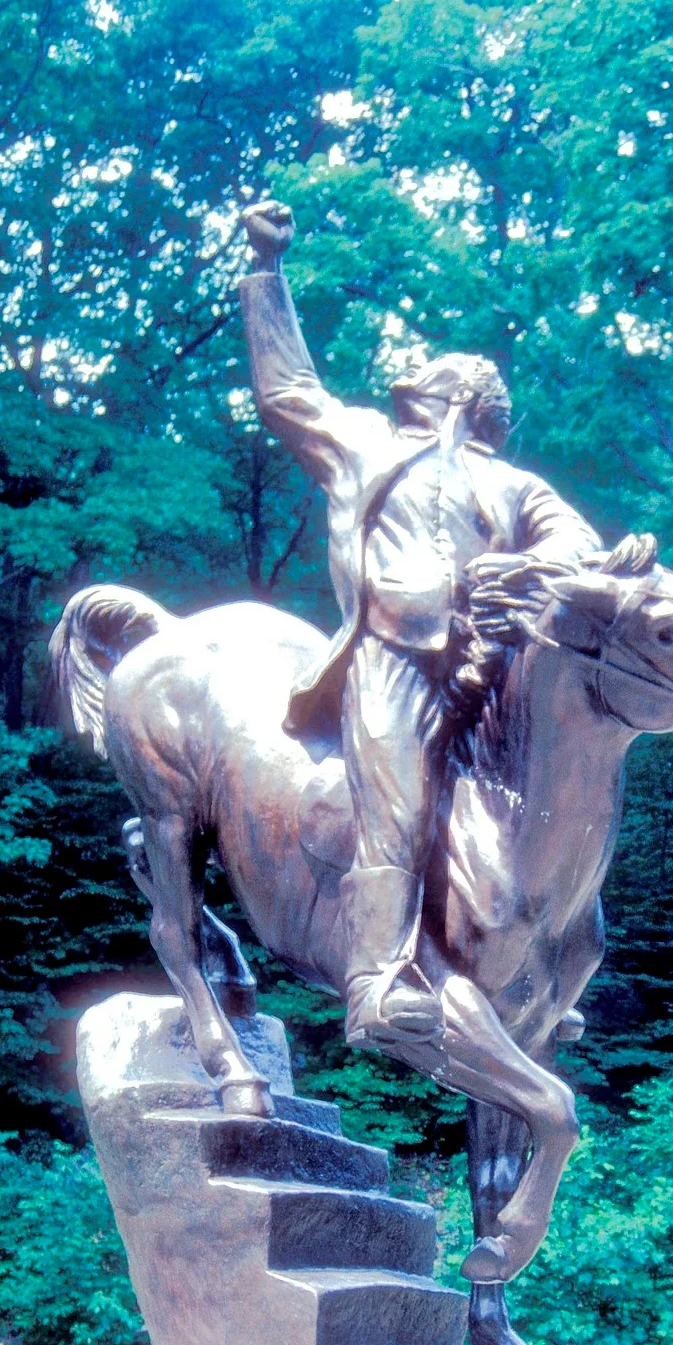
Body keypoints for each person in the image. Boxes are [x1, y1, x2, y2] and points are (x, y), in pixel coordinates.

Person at [240, 199, 599, 1049]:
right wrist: (266, 271)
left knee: (560, 804)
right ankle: (375, 981)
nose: (483, 416)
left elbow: (578, 550)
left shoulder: (516, 488)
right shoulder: (368, 445)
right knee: (397, 806)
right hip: (397, 659)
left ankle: (555, 964)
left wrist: (529, 573)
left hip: (500, 676)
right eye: (478, 402)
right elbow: (287, 390)